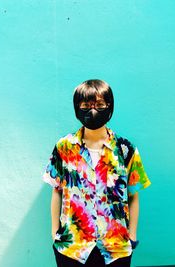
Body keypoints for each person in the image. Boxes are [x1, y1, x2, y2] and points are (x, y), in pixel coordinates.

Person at [42, 79, 151, 267]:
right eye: (86, 105)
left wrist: (131, 237)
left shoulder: (126, 149)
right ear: (77, 108)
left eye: (100, 104)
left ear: (109, 107)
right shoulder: (64, 148)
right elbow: (56, 190)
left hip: (115, 249)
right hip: (72, 248)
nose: (93, 110)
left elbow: (133, 195)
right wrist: (55, 234)